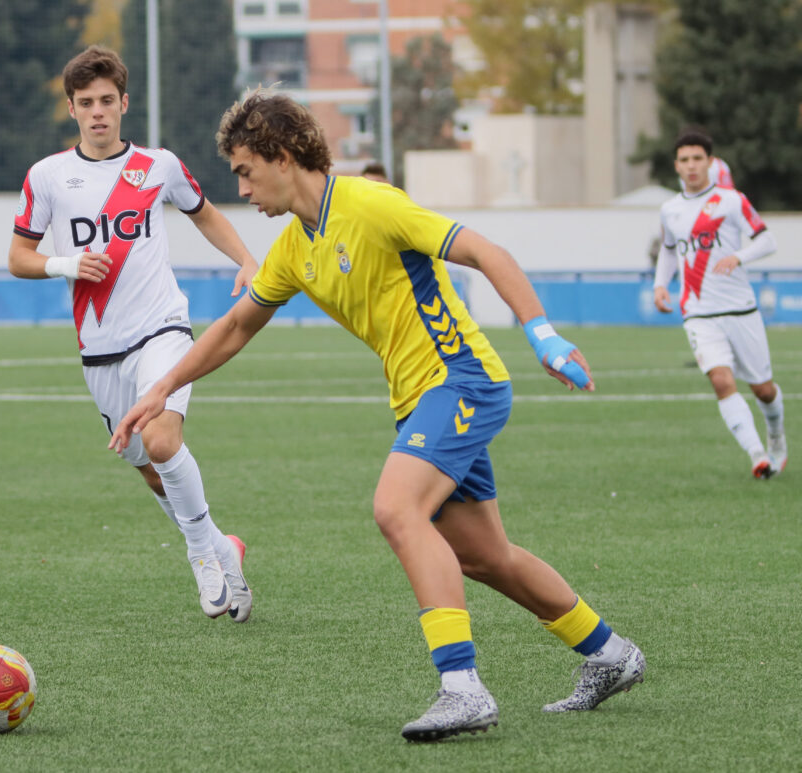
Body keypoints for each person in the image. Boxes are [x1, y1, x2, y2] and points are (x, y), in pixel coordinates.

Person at [109, 89, 645, 741]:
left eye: (245, 171)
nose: (242, 188)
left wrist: (542, 334)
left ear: (281, 156)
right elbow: (235, 326)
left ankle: (462, 687)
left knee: (396, 508)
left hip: (461, 379)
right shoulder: (292, 248)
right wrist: (162, 386)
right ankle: (610, 654)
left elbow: (486, 252)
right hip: (420, 399)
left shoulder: (370, 203)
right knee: (485, 555)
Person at [8, 45, 258, 622]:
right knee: (148, 468)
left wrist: (246, 259)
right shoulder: (47, 176)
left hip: (161, 329)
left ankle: (200, 554)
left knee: (165, 441)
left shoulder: (158, 166)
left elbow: (205, 213)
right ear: (71, 108)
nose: (98, 112)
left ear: (124, 103)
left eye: (106, 101)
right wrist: (64, 264)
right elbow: (19, 256)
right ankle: (224, 546)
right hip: (98, 349)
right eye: (85, 103)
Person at [654, 130, 787, 478]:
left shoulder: (730, 200)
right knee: (722, 382)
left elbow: (767, 239)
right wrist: (659, 285)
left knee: (763, 389)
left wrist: (738, 257)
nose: (692, 165)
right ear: (676, 166)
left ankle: (776, 439)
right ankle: (758, 455)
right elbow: (668, 250)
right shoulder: (670, 210)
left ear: (711, 163)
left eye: (698, 158)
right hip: (698, 313)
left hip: (740, 309)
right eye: (684, 160)